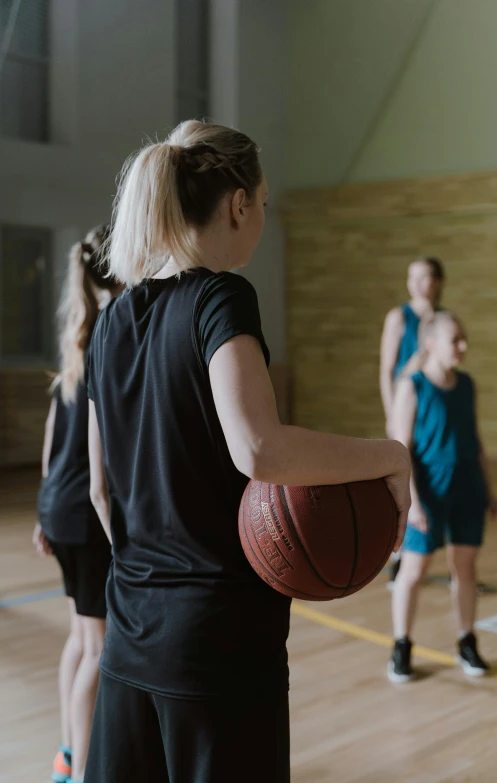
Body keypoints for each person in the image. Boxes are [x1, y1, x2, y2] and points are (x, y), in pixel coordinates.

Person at [83, 120, 411, 783]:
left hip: (128, 637)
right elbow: (259, 449)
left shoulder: (112, 320)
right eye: (263, 203)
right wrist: (390, 454)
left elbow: (101, 487)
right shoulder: (220, 297)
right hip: (214, 646)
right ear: (238, 204)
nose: (261, 216)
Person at [33, 226, 121, 783]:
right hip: (85, 515)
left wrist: (46, 507)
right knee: (97, 648)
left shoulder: (78, 339)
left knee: (79, 636)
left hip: (56, 506)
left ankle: (68, 753)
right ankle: (84, 770)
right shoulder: (115, 335)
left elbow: (50, 434)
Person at [387, 311, 497, 683]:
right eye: (456, 340)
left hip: (466, 485)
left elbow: (476, 440)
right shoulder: (413, 386)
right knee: (414, 570)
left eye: (464, 338)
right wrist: (414, 501)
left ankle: (467, 641)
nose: (463, 346)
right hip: (429, 488)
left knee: (465, 568)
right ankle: (401, 645)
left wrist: (489, 490)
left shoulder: (466, 384)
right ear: (432, 343)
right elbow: (402, 449)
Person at [380, 256, 445, 586]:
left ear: (438, 281)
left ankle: (422, 548)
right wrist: (392, 414)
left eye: (424, 277)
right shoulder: (398, 317)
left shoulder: (442, 320)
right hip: (405, 407)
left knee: (430, 479)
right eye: (412, 277)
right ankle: (398, 553)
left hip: (432, 410)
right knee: (403, 479)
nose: (417, 283)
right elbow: (386, 369)